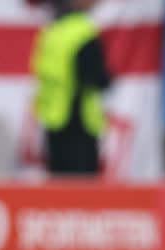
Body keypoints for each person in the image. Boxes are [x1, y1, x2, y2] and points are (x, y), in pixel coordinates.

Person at [30, 0, 111, 176]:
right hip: (80, 122)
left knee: (59, 191)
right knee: (81, 193)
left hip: (53, 120)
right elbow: (95, 77)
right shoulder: (83, 31)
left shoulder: (51, 31)